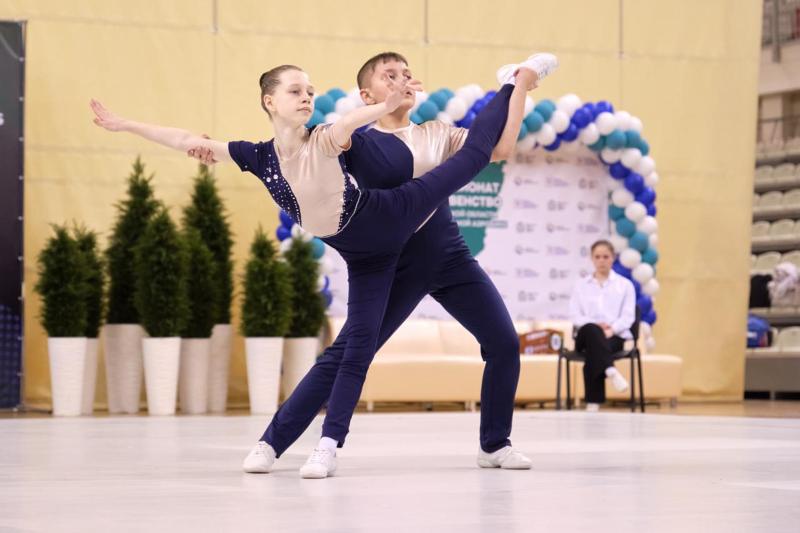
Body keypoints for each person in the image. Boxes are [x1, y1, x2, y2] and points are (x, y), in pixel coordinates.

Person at [91, 55, 554, 478]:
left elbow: (497, 147)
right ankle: (274, 441)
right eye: (388, 76)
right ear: (367, 93)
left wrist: (519, 90)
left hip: (444, 250)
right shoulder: (349, 141)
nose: (401, 81)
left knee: (502, 341)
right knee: (349, 353)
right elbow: (310, 145)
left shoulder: (435, 132)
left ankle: (494, 443)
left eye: (405, 74)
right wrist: (133, 127)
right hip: (390, 256)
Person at [568, 240, 634, 412]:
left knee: (594, 351)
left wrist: (611, 330)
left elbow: (628, 317)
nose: (601, 260)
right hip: (585, 336)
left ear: (613, 258)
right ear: (592, 258)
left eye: (606, 256)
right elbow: (575, 315)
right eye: (597, 257)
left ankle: (593, 403)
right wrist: (597, 327)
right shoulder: (580, 285)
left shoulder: (625, 285)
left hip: (614, 336)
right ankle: (610, 369)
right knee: (592, 330)